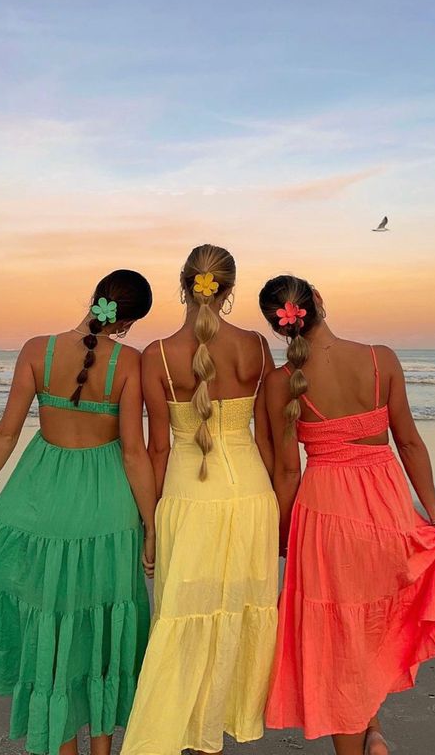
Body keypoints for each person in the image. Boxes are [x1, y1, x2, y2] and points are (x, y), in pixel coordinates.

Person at [0, 270, 156, 755]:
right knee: (102, 628)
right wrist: (151, 525)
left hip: (42, 499)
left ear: (94, 299)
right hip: (107, 507)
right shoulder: (130, 362)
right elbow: (134, 452)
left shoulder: (37, 349)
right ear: (129, 321)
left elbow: (6, 433)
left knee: (56, 626)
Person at [259, 274, 435, 755]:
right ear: (318, 303)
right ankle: (373, 730)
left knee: (340, 635)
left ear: (280, 326)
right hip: (386, 502)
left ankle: (357, 742)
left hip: (326, 509)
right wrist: (434, 515)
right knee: (374, 623)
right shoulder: (381, 358)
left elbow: (288, 471)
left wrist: (284, 536)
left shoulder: (280, 383)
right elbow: (409, 441)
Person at [121, 245, 279, 755]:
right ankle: (218, 730)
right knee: (235, 606)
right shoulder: (256, 345)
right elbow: (274, 436)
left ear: (185, 284)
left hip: (189, 495)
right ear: (228, 291)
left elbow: (158, 447)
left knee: (183, 610)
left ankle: (173, 733)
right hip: (253, 493)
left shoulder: (157, 355)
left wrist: (150, 524)